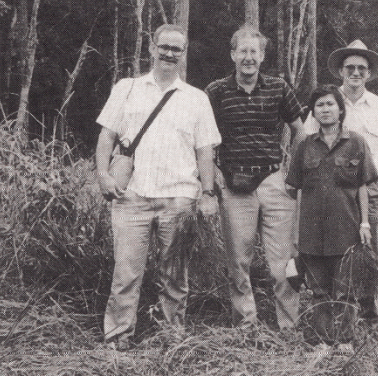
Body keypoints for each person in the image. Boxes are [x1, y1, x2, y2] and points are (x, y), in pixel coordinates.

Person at [95, 24, 222, 350]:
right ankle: (118, 338)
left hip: (179, 199)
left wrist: (207, 194)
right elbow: (107, 135)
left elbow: (205, 150)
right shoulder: (127, 88)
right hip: (131, 196)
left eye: (175, 49)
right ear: (152, 48)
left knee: (175, 275)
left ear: (183, 53)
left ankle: (171, 337)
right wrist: (103, 174)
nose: (168, 53)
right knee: (126, 273)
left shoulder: (196, 98)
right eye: (163, 47)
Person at [205, 25, 304, 331]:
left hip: (275, 181)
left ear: (262, 56)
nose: (248, 57)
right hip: (235, 187)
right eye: (242, 51)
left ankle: (289, 327)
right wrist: (215, 174)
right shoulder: (216, 92)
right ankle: (245, 326)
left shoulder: (279, 87)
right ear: (233, 54)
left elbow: (300, 130)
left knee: (282, 263)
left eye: (254, 52)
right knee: (238, 263)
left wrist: (293, 173)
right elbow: (205, 139)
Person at [304, 40, 378, 323]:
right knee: (333, 247)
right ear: (341, 71)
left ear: (369, 73)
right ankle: (336, 309)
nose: (356, 73)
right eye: (350, 68)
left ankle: (370, 311)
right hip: (331, 191)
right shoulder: (328, 102)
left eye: (362, 68)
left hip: (368, 190)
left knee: (368, 248)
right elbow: (308, 142)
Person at [286, 85, 378, 355]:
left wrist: (364, 224)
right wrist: (295, 234)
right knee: (318, 289)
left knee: (346, 287)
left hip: (346, 227)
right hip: (312, 230)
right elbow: (296, 190)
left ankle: (346, 339)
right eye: (319, 106)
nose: (325, 110)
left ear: (341, 109)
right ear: (313, 112)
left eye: (330, 104)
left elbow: (363, 185)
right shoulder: (304, 146)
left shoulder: (357, 142)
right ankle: (324, 341)